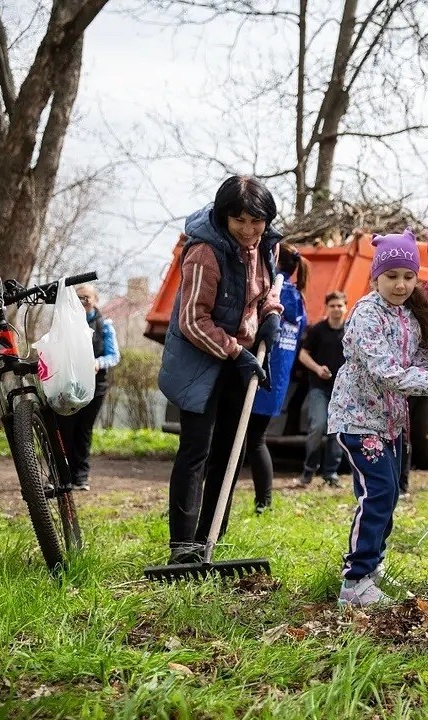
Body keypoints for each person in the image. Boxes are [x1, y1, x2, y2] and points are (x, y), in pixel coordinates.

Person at [329, 229, 428, 606]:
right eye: (392, 277)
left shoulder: (411, 316)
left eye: (408, 276)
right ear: (376, 277)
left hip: (391, 423)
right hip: (358, 419)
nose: (401, 285)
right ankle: (354, 582)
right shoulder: (365, 315)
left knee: (386, 497)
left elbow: (418, 366)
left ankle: (373, 568)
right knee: (380, 493)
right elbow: (386, 372)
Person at [157, 175, 279, 565]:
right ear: (224, 216)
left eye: (256, 221)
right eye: (239, 220)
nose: (248, 230)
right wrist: (235, 352)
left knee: (231, 452)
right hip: (200, 362)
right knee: (197, 450)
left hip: (238, 361)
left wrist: (271, 315)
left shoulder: (264, 248)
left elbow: (265, 292)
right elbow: (193, 320)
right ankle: (183, 548)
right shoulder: (204, 252)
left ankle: (210, 540)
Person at [245, 243, 309, 513]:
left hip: (258, 375)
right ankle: (264, 502)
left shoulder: (274, 294)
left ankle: (262, 501)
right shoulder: (298, 300)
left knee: (249, 439)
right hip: (277, 382)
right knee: (257, 438)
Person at [54, 284, 120, 491]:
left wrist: (97, 363)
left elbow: (114, 355)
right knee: (64, 429)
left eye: (87, 297)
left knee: (83, 430)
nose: (83, 301)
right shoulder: (66, 324)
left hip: (95, 385)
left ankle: (80, 477)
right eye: (79, 298)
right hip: (68, 384)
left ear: (95, 299)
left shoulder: (105, 325)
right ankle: (61, 476)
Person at [298, 291, 348, 487]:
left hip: (342, 391)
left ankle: (331, 473)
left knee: (336, 431)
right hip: (319, 388)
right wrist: (318, 369)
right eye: (333, 306)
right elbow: (303, 354)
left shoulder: (351, 330)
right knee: (318, 425)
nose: (336, 309)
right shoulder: (318, 330)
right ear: (327, 308)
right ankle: (309, 470)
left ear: (345, 307)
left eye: (340, 306)